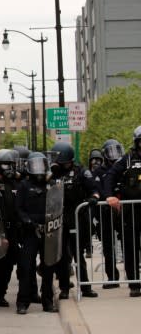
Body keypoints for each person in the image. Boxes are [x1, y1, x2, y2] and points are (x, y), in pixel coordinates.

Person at [49, 142, 99, 299]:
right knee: (63, 256)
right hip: (59, 219)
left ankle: (85, 287)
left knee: (79, 254)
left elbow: (94, 189)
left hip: (78, 218)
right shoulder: (53, 174)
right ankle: (64, 288)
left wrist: (94, 197)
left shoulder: (81, 172)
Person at [15, 152, 57, 314]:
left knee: (48, 268)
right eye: (35, 166)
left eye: (42, 166)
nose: (39, 170)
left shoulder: (52, 184)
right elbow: (18, 208)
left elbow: (57, 205)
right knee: (26, 268)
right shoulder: (24, 186)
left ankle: (47, 302)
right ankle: (22, 302)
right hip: (30, 232)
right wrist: (27, 221)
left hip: (48, 231)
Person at [104, 126, 141, 298]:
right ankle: (134, 284)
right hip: (131, 212)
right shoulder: (126, 160)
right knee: (131, 247)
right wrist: (109, 196)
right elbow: (110, 176)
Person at [0, 149, 21, 308]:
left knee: (9, 263)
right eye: (4, 164)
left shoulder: (16, 183)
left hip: (13, 229)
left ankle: (0, 293)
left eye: (11, 165)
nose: (8, 168)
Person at [94, 140, 124, 288]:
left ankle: (133, 276)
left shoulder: (123, 167)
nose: (114, 155)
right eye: (111, 152)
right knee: (108, 246)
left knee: (128, 243)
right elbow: (98, 189)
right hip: (105, 212)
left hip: (122, 211)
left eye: (117, 151)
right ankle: (112, 277)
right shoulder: (99, 171)